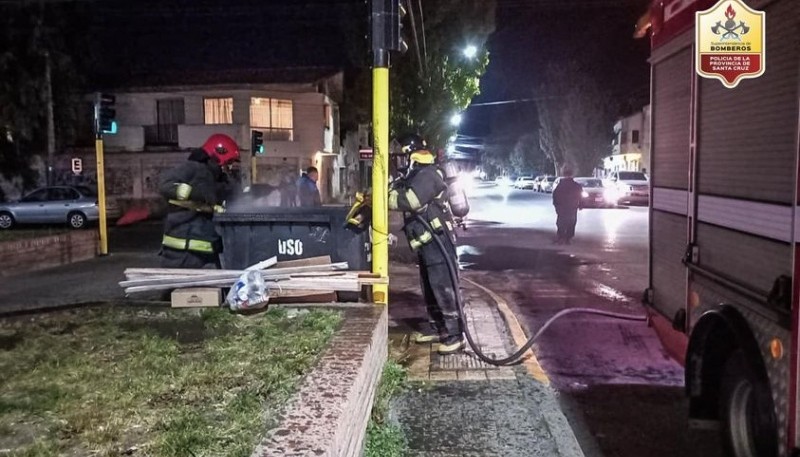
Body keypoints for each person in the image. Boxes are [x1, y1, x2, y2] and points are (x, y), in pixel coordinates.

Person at [388, 134, 465, 355]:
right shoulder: (417, 175)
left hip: (439, 242)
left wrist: (386, 197)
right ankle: (437, 327)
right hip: (428, 242)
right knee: (430, 287)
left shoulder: (428, 175)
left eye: (405, 155)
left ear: (412, 154)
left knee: (443, 287)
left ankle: (454, 335)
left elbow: (411, 201)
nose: (403, 160)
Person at [158, 133, 240, 268]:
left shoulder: (215, 178)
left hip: (203, 252)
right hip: (182, 254)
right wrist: (194, 193)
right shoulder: (193, 168)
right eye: (229, 162)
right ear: (218, 154)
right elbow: (165, 184)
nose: (229, 167)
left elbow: (229, 193)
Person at [552, 165, 583, 245]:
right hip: (572, 207)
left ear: (564, 175)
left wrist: (556, 205)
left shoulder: (560, 185)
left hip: (562, 207)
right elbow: (580, 195)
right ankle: (568, 238)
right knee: (571, 222)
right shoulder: (576, 185)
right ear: (572, 175)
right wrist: (581, 205)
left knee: (561, 221)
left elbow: (555, 196)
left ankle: (561, 236)